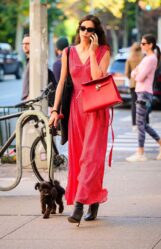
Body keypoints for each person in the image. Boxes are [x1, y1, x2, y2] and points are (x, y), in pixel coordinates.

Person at [49, 15, 110, 225]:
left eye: (90, 29)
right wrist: (55, 110)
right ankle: (92, 201)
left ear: (95, 33)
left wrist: (93, 53)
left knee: (91, 159)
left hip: (96, 112)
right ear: (79, 29)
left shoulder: (103, 51)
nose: (85, 32)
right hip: (76, 112)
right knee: (78, 159)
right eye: (82, 28)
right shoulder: (68, 52)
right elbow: (62, 83)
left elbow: (97, 78)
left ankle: (79, 205)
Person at [126, 34, 161, 162]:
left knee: (141, 124)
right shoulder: (147, 58)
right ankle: (155, 145)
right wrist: (136, 73)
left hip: (144, 93)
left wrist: (136, 73)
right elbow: (134, 72)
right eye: (141, 43)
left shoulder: (151, 59)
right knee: (143, 124)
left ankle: (140, 152)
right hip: (142, 92)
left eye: (143, 43)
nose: (141, 45)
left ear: (150, 45)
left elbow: (138, 76)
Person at [21, 34, 57, 106]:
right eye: (23, 44)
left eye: (27, 44)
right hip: (30, 100)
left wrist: (29, 96)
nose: (24, 46)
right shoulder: (29, 60)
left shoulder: (36, 60)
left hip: (36, 100)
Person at [125, 43, 143, 131]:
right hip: (142, 83)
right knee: (143, 103)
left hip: (133, 84)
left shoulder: (129, 58)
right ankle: (144, 122)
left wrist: (131, 78)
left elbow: (127, 73)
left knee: (134, 104)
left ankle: (134, 124)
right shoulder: (143, 57)